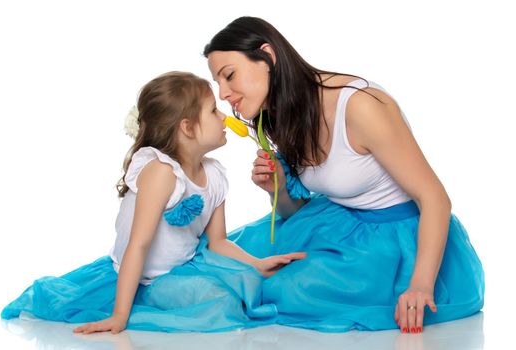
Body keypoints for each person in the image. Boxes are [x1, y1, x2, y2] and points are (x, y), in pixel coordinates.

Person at [204, 17, 484, 333]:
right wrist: (277, 190)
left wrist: (420, 284)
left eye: (229, 76)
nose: (224, 94)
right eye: (218, 84)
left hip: (394, 241)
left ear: (267, 56)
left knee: (281, 291)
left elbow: (435, 198)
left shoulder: (360, 107)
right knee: (230, 260)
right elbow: (292, 211)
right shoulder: (282, 112)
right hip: (335, 222)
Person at [1, 71, 306, 334]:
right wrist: (120, 316)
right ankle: (134, 305)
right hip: (148, 278)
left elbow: (218, 242)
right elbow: (139, 245)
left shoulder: (214, 175)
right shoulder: (161, 172)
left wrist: (257, 264)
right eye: (213, 111)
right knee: (223, 303)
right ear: (187, 127)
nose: (224, 117)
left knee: (249, 285)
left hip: (185, 264)